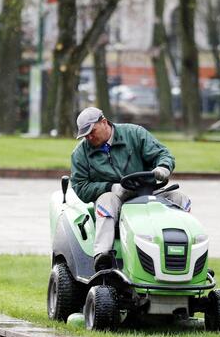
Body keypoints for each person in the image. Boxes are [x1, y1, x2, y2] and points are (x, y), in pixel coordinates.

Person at [70, 107, 191, 272]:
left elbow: (163, 154)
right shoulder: (80, 154)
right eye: (85, 135)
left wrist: (163, 167)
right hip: (116, 200)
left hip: (148, 192)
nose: (89, 137)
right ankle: (102, 255)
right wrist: (111, 187)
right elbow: (81, 187)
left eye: (92, 131)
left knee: (180, 199)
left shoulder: (134, 134)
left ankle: (181, 250)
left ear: (104, 122)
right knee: (106, 200)